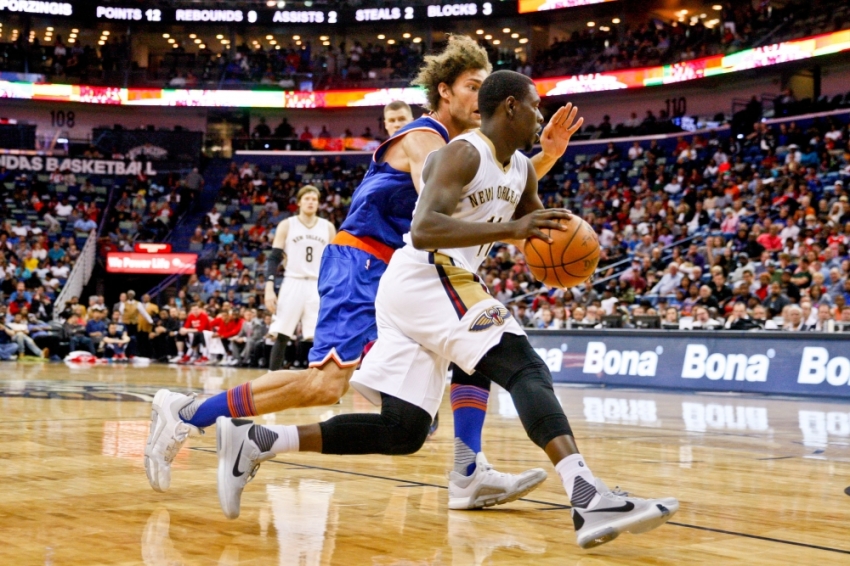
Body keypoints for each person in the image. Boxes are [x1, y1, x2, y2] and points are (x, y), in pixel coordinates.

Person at [213, 71, 678, 548]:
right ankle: (587, 496)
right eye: (535, 105)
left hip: (427, 285)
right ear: (511, 107)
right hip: (426, 272)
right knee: (524, 366)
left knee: (404, 430)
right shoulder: (460, 152)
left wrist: (556, 245)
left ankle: (258, 442)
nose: (541, 114)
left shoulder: (522, 167)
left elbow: (533, 230)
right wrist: (512, 232)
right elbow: (424, 229)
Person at [146, 35, 583, 509]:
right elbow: (435, 208)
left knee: (470, 353)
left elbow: (492, 193)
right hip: (363, 262)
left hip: (409, 274)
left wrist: (545, 158)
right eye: (472, 86)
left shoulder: (464, 147)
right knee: (325, 385)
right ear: (444, 91)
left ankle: (468, 469)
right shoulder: (426, 137)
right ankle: (188, 412)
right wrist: (521, 209)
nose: (482, 98)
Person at [265, 185, 336, 371]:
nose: (311, 202)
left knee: (318, 336)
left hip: (317, 283)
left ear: (319, 203)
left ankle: (319, 384)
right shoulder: (287, 225)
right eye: (307, 198)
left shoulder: (328, 227)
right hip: (292, 281)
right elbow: (273, 258)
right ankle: (272, 379)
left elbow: (334, 261)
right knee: (282, 333)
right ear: (299, 202)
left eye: (314, 199)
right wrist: (269, 287)